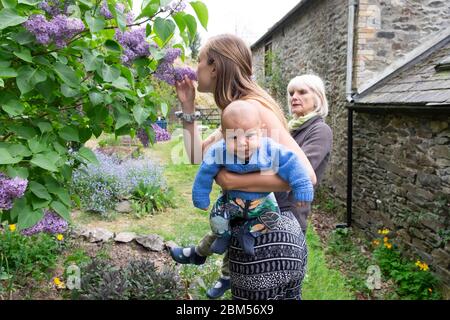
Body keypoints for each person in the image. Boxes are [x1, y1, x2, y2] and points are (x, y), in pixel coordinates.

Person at [170, 34, 316, 300]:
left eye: (200, 60)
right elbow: (196, 155)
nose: (195, 68)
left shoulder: (253, 109)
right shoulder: (238, 111)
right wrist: (187, 104)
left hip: (268, 237)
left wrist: (234, 182)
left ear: (214, 66)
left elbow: (307, 175)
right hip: (261, 238)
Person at [192, 103, 314, 256]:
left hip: (263, 202)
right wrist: (200, 196)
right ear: (224, 135)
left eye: (249, 135)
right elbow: (205, 171)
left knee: (273, 217)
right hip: (231, 202)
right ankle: (223, 235)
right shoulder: (219, 151)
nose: (243, 143)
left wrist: (302, 186)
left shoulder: (269, 149)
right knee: (217, 216)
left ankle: (249, 233)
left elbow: (291, 163)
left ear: (260, 131)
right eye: (234, 137)